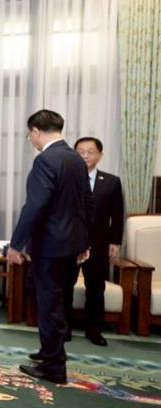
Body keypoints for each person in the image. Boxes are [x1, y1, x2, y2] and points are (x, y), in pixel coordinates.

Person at [6, 109, 92, 385]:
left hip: (51, 247)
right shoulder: (76, 160)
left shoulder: (46, 160)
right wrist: (84, 241)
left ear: (35, 131)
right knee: (58, 302)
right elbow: (87, 204)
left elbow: (35, 206)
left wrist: (16, 244)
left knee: (49, 305)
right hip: (70, 246)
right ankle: (48, 351)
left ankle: (55, 367)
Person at [73, 136, 124, 346]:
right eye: (80, 151)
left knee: (96, 288)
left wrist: (115, 241)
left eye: (90, 151)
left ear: (100, 155)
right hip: (71, 243)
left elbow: (117, 214)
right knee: (65, 286)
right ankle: (62, 327)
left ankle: (94, 329)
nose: (85, 155)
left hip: (99, 244)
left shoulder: (111, 182)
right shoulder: (67, 179)